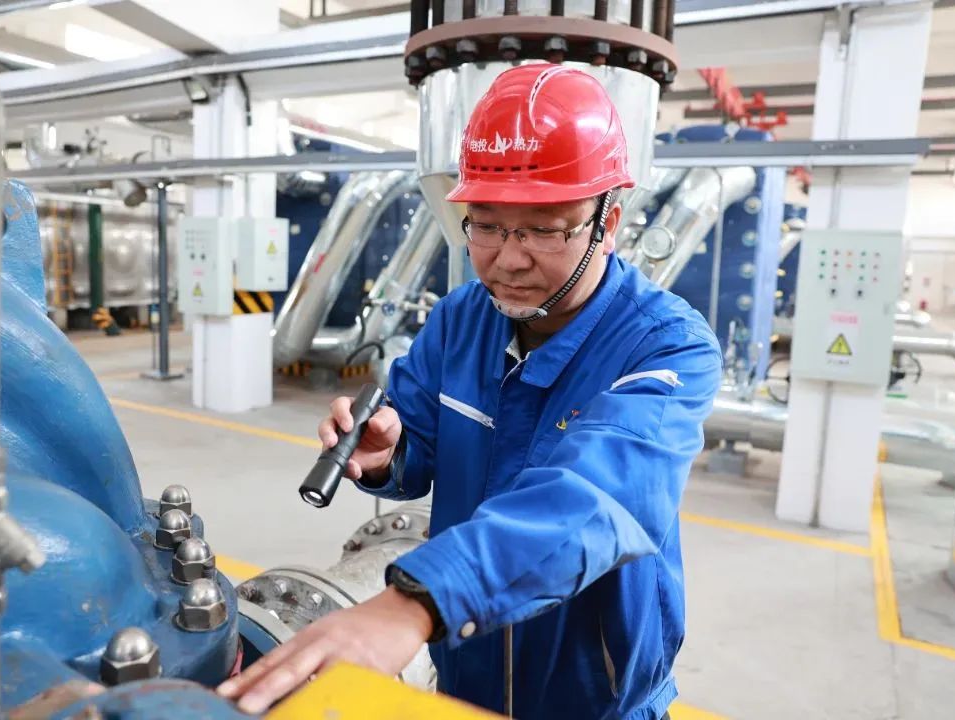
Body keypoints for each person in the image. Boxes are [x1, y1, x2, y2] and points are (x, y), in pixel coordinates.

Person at [218, 63, 722, 719]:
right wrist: (390, 452)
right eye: (486, 225)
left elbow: (600, 497)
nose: (508, 258)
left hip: (592, 696)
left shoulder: (667, 347)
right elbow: (419, 441)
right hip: (466, 669)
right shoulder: (461, 319)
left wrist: (419, 601)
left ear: (609, 222)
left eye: (544, 229)